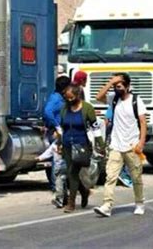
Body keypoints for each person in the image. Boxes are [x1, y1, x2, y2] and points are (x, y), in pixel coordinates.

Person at [94, 73, 147, 217]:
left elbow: (143, 122)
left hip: (132, 145)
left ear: (127, 87)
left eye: (119, 86)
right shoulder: (114, 99)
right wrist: (111, 82)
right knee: (110, 176)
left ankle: (139, 202)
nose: (117, 88)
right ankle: (107, 205)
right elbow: (98, 97)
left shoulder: (136, 101)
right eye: (115, 86)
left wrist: (141, 143)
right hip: (116, 145)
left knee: (136, 177)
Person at [60, 84, 96, 213]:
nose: (69, 100)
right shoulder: (64, 109)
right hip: (67, 145)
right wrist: (59, 143)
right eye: (67, 98)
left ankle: (71, 203)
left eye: (71, 98)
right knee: (71, 173)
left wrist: (100, 144)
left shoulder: (87, 108)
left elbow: (95, 127)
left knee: (72, 172)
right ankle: (84, 191)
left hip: (81, 145)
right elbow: (61, 127)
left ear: (78, 95)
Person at [43, 76, 71, 191]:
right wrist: (57, 125)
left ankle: (60, 185)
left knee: (59, 160)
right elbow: (47, 111)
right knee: (57, 160)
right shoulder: (56, 99)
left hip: (61, 130)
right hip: (55, 132)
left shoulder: (61, 98)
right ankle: (56, 187)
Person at [36, 140, 68, 208]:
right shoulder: (54, 143)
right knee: (63, 183)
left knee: (59, 182)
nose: (54, 134)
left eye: (55, 132)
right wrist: (40, 158)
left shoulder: (65, 142)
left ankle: (59, 200)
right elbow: (49, 152)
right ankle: (65, 199)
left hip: (63, 166)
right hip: (58, 166)